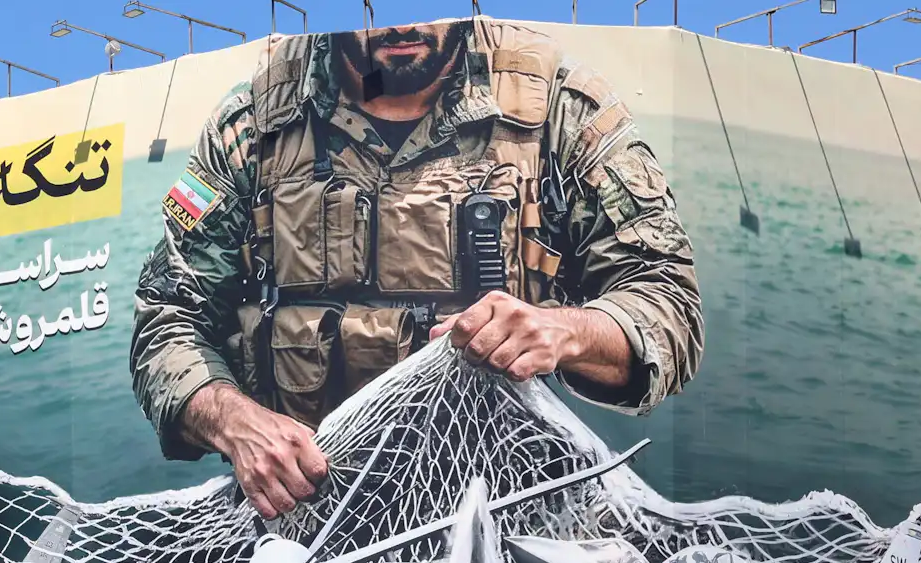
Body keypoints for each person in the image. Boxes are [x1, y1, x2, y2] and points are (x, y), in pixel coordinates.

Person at [129, 18, 703, 519]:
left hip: (505, 504)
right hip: (304, 515)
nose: (404, 28)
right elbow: (168, 318)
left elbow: (667, 300)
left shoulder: (560, 108)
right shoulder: (252, 125)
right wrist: (233, 421)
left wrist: (567, 331)